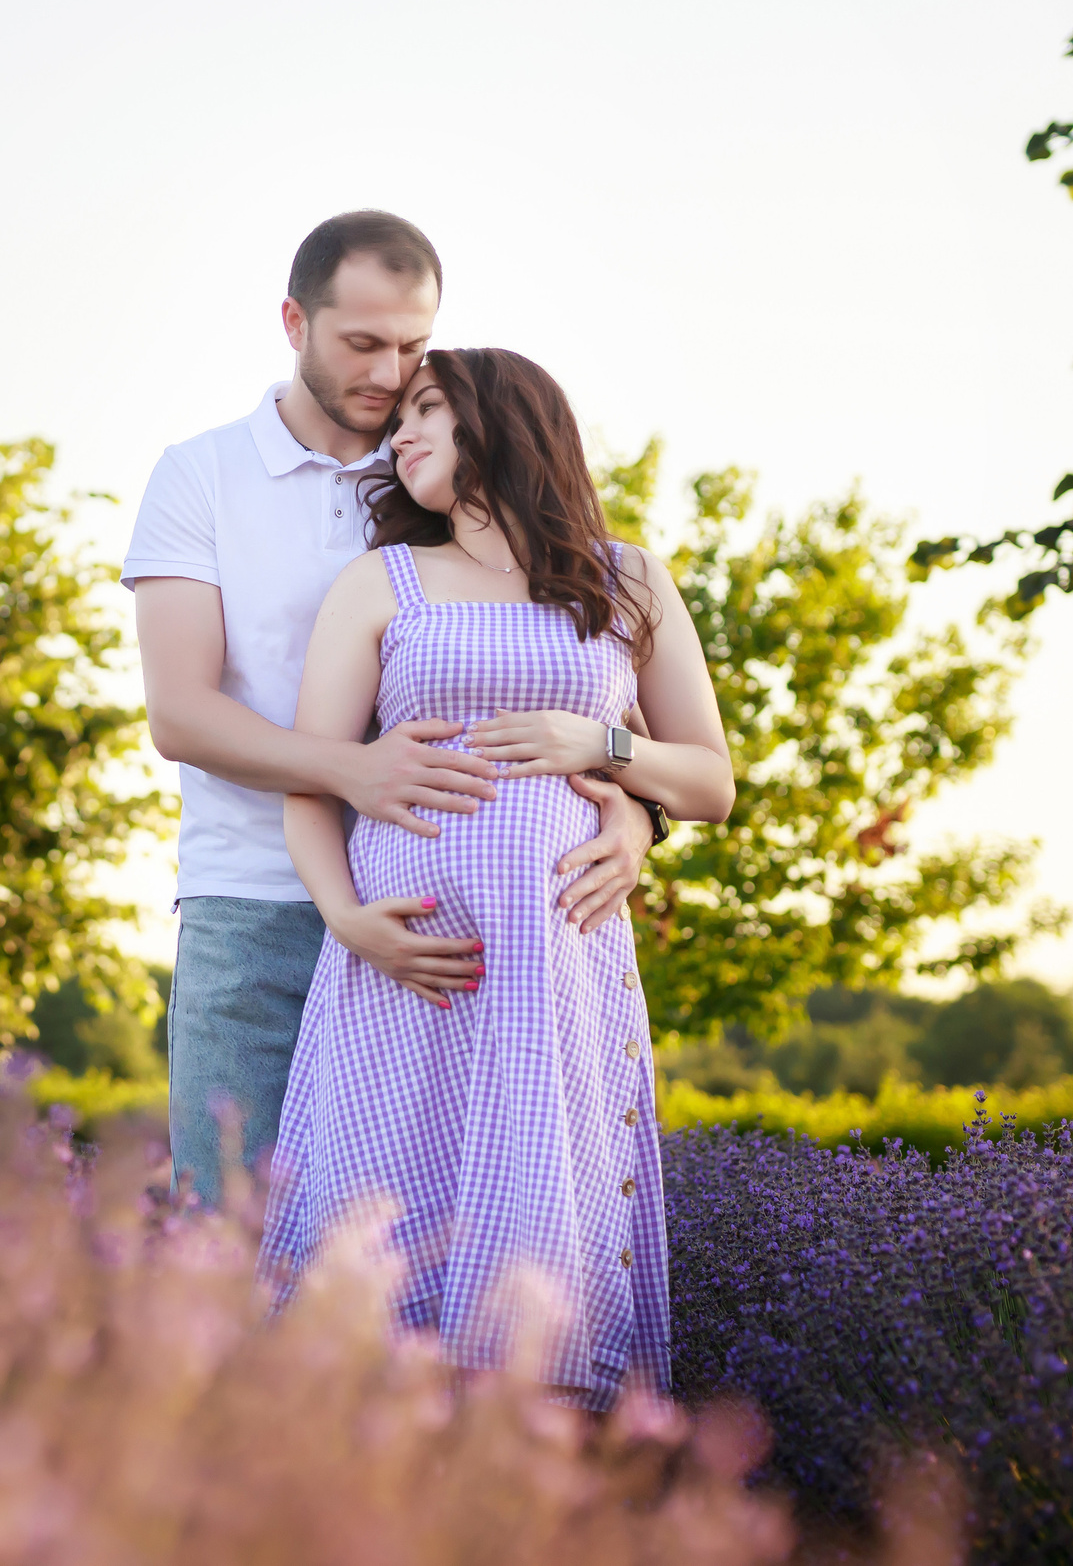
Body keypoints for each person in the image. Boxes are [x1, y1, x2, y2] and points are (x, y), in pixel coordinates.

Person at [125, 212, 664, 1207]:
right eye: (362, 344)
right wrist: (348, 772)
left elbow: (565, 658)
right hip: (254, 909)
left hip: (453, 921)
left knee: (415, 1252)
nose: (389, 372)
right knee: (229, 1235)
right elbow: (182, 717)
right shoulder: (200, 477)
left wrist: (633, 810)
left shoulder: (442, 462)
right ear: (294, 322)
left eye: (412, 346)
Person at [257, 347, 734, 1405]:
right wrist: (346, 919)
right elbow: (310, 778)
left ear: (504, 425)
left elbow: (707, 782)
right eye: (400, 420)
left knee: (538, 1219)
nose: (401, 433)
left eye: (428, 408)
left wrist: (599, 745)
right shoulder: (377, 582)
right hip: (408, 962)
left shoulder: (629, 579)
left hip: (553, 965)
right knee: (381, 1221)